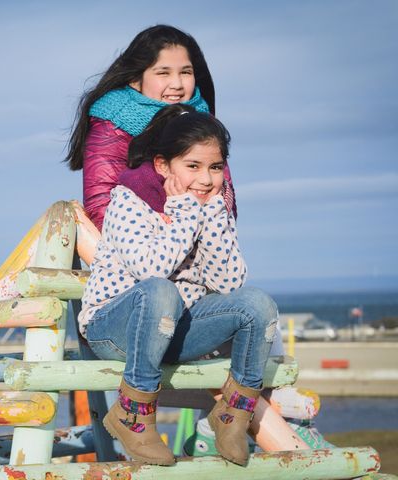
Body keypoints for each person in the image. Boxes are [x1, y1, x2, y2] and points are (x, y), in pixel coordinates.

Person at [78, 104, 278, 466]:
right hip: (115, 330)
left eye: (215, 168)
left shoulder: (210, 204)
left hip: (173, 331)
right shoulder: (129, 199)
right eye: (193, 166)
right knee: (161, 290)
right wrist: (185, 212)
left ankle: (232, 415)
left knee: (257, 304)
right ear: (162, 165)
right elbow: (152, 269)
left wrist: (213, 215)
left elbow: (229, 282)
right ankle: (131, 415)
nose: (205, 179)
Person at [65, 24, 237, 231]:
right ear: (136, 79)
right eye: (163, 73)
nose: (177, 84)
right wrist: (155, 243)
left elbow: (225, 191)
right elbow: (101, 202)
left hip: (201, 242)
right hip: (136, 245)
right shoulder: (114, 120)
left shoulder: (202, 121)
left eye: (185, 72)